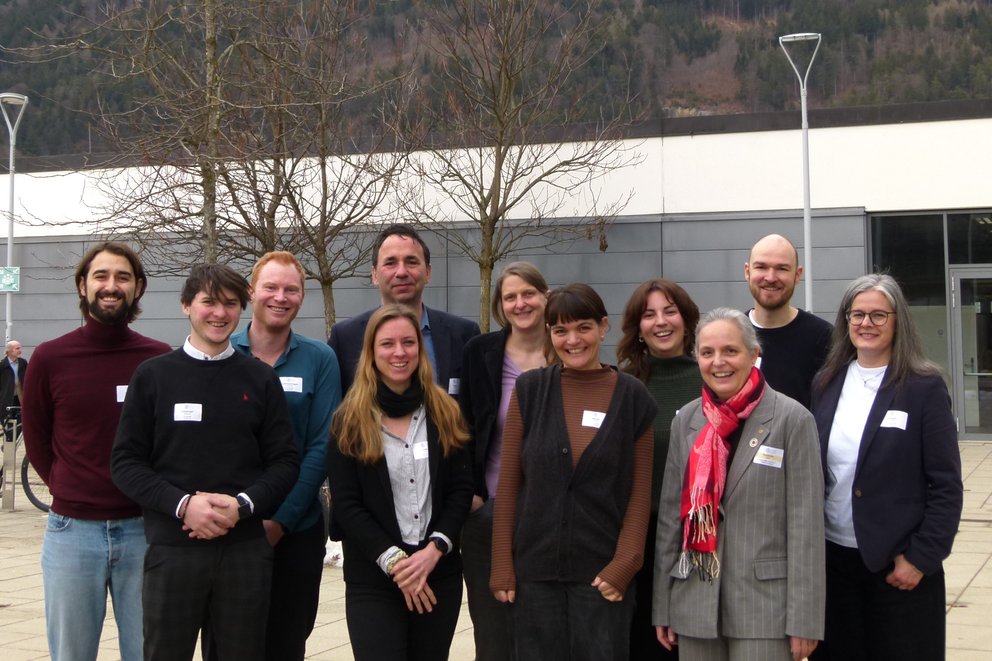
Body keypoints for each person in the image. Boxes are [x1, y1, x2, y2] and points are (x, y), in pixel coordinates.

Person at [111, 263, 299, 661]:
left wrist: (242, 505)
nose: (219, 313)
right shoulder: (153, 376)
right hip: (173, 549)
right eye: (208, 302)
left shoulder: (260, 379)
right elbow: (126, 462)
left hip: (244, 550)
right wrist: (183, 505)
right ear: (186, 306)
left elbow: (285, 462)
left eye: (230, 303)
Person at [490, 283, 657, 661]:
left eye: (583, 327)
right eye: (560, 330)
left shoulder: (633, 398)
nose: (572, 340)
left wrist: (625, 564)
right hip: (534, 577)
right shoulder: (529, 390)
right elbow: (510, 482)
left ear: (603, 327)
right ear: (549, 333)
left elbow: (639, 492)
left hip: (602, 576)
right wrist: (502, 563)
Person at [21, 241, 171, 661]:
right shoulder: (50, 358)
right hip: (72, 534)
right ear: (82, 286)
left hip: (144, 530)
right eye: (101, 276)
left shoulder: (157, 360)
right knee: (71, 654)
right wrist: (72, 489)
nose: (111, 285)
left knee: (148, 652)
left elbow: (166, 444)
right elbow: (37, 441)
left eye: (122, 277)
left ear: (138, 288)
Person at [653, 307, 824, 661]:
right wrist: (663, 605)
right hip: (694, 602)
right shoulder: (686, 420)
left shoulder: (792, 420)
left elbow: (806, 527)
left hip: (765, 608)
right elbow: (671, 518)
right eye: (707, 352)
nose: (719, 362)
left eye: (730, 351)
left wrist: (805, 618)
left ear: (754, 354)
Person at [810, 274, 963, 661]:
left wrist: (922, 558)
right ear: (845, 320)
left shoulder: (923, 388)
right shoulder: (827, 382)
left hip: (899, 569)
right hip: (835, 564)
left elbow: (946, 485)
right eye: (857, 314)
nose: (866, 323)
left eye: (879, 314)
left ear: (898, 321)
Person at [326, 304, 473, 660]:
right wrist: (397, 563)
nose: (399, 352)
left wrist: (434, 550)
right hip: (373, 577)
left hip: (437, 571)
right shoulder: (349, 419)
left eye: (408, 342)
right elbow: (346, 503)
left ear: (420, 351)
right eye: (387, 344)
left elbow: (460, 489)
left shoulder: (446, 412)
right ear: (371, 353)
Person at [221, 251, 342, 661]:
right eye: (270, 286)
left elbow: (322, 445)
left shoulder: (319, 359)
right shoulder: (222, 352)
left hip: (296, 529)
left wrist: (280, 520)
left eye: (291, 289)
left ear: (302, 298)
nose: (280, 296)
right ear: (251, 291)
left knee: (286, 644)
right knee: (226, 643)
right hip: (229, 529)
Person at [459, 262, 550, 661]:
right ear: (500, 305)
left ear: (546, 297)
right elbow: (461, 427)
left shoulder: (566, 348)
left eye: (529, 293)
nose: (520, 303)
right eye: (510, 296)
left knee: (545, 631)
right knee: (494, 635)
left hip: (553, 516)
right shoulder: (480, 353)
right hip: (492, 512)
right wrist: (472, 496)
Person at [617, 279, 702, 660]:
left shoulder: (713, 379)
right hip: (639, 538)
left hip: (700, 537)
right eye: (649, 314)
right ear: (637, 327)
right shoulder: (621, 384)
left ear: (687, 319)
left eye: (670, 311)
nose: (661, 322)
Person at [329, 224, 479, 395]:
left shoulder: (465, 335)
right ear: (374, 275)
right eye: (390, 263)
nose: (401, 272)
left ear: (428, 272)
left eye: (411, 261)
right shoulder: (344, 339)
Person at [745, 233, 832, 409]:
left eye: (782, 269)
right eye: (761, 267)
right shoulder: (729, 334)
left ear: (797, 274)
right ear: (747, 271)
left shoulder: (824, 338)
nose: (770, 277)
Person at [1, 339, 27, 441]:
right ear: (10, 351)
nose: (20, 350)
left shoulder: (23, 363)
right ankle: (9, 442)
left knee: (22, 421)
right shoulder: (3, 365)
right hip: (7, 398)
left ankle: (12, 441)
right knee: (9, 422)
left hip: (21, 397)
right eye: (17, 348)